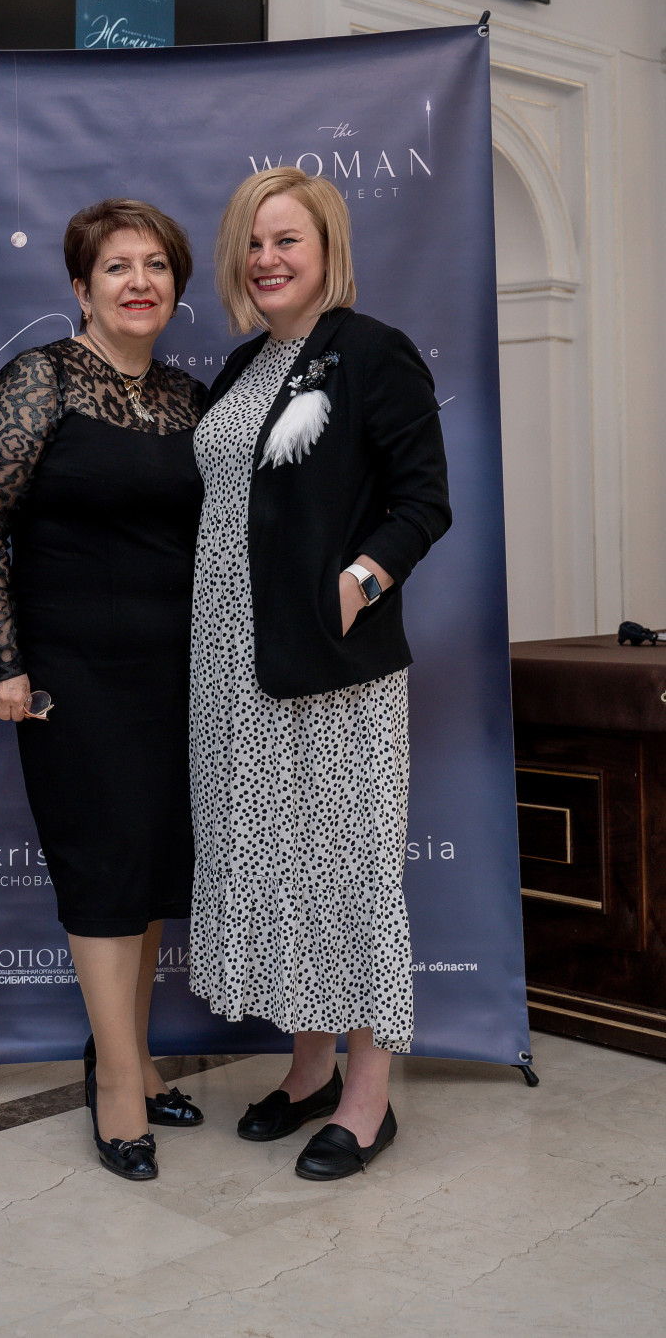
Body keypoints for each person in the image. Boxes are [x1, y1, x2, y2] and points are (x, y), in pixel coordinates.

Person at [189, 166, 451, 1181]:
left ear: (328, 248)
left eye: (286, 240)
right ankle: (307, 1071)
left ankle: (368, 1099)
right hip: (230, 667)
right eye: (253, 243)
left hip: (332, 668)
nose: (267, 259)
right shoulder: (244, 364)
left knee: (348, 872)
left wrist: (357, 582)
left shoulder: (373, 352)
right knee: (278, 869)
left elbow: (424, 501)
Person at [0, 198, 207, 1183]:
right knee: (103, 868)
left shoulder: (190, 398)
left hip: (179, 673)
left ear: (175, 286)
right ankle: (117, 1094)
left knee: (147, 869)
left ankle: (128, 1056)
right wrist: (1, 663)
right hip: (72, 675)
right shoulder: (42, 379)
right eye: (116, 267)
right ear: (81, 288)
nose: (139, 281)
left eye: (156, 266)